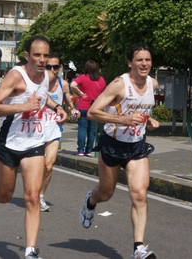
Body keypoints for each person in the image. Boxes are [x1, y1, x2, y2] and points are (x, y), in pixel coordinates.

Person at [0, 35, 67, 259]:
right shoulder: (15, 77)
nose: (41, 59)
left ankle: (30, 251)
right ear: (27, 56)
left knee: (32, 196)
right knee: (6, 194)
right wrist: (22, 106)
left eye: (45, 55)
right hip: (10, 141)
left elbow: (42, 95)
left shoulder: (47, 76)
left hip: (34, 142)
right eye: (37, 55)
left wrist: (57, 107)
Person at [79, 43, 159, 259]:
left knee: (140, 195)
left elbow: (142, 111)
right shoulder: (119, 84)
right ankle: (90, 201)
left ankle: (139, 249)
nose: (144, 64)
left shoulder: (153, 83)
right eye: (139, 60)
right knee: (106, 193)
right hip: (112, 144)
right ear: (130, 62)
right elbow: (93, 112)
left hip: (137, 146)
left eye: (148, 60)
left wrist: (148, 120)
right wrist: (123, 119)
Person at [39, 52, 80, 212]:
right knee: (35, 166)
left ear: (60, 67)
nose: (52, 69)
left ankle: (40, 196)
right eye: (48, 66)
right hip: (35, 129)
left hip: (54, 128)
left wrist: (74, 110)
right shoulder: (37, 83)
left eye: (55, 66)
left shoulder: (63, 84)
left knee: (48, 166)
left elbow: (70, 103)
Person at [70, 60, 106, 156]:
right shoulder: (101, 79)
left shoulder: (82, 77)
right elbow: (104, 92)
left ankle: (80, 150)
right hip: (95, 107)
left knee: (82, 129)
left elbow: (72, 85)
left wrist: (80, 92)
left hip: (83, 106)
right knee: (92, 130)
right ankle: (89, 150)